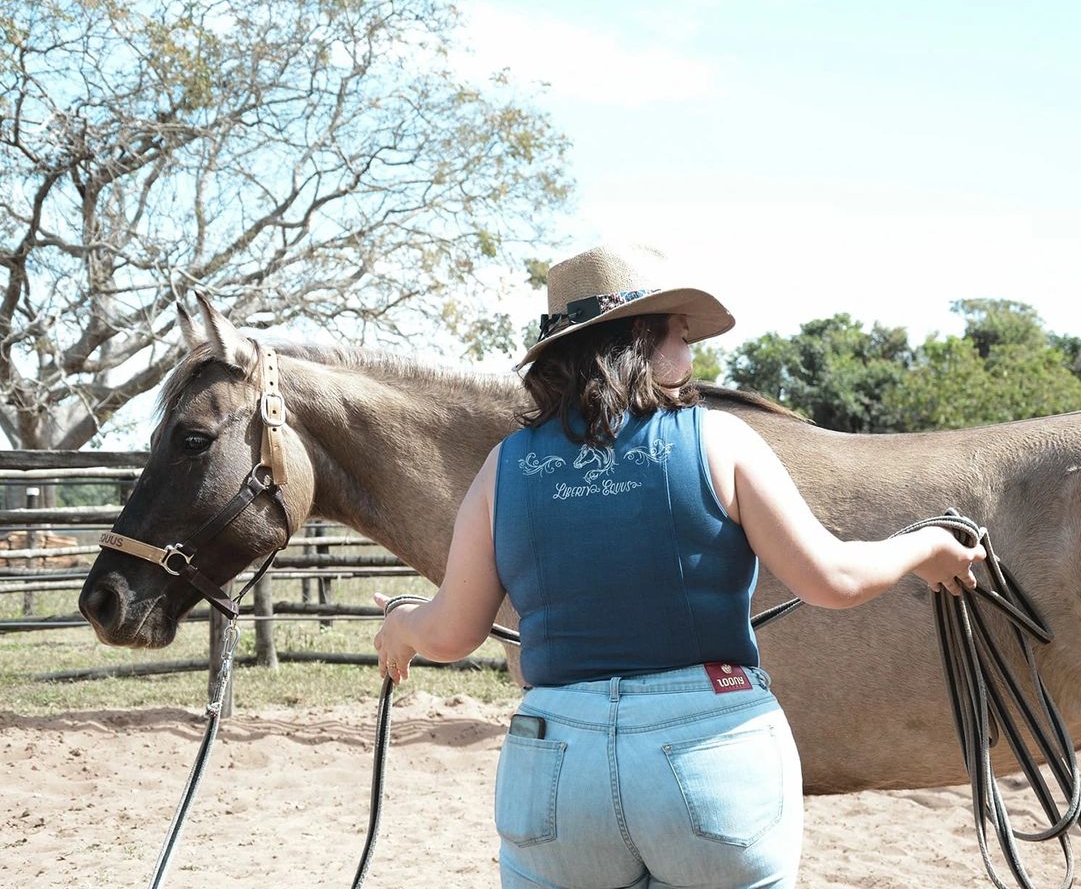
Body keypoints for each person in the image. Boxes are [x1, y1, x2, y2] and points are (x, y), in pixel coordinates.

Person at [372, 243, 984, 889]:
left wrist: (401, 627)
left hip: (557, 774)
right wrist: (928, 548)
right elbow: (833, 579)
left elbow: (452, 631)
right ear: (643, 339)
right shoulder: (719, 438)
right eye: (682, 335)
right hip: (709, 762)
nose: (691, 357)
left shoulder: (503, 468)